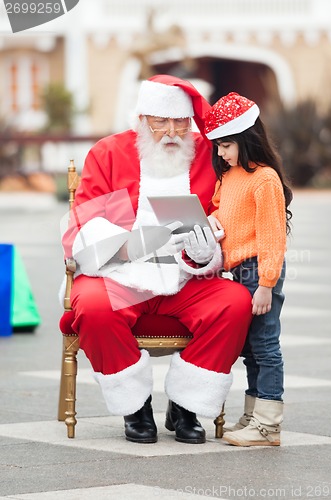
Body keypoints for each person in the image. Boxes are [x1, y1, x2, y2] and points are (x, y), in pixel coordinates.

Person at [60, 76, 253, 445]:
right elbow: (86, 223)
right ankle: (136, 405)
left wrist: (206, 252)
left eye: (180, 122)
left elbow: (223, 218)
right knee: (94, 307)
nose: (170, 132)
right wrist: (134, 245)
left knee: (234, 302)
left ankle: (186, 405)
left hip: (185, 278)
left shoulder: (208, 156)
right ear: (142, 117)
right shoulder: (109, 153)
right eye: (160, 121)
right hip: (119, 273)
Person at [204, 92, 293, 446]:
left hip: (259, 272)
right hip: (237, 272)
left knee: (266, 345)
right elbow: (220, 211)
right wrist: (211, 222)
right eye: (218, 147)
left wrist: (266, 284)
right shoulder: (230, 176)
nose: (221, 153)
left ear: (245, 138)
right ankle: (254, 415)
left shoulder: (265, 179)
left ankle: (269, 424)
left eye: (226, 145)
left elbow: (273, 237)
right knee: (250, 349)